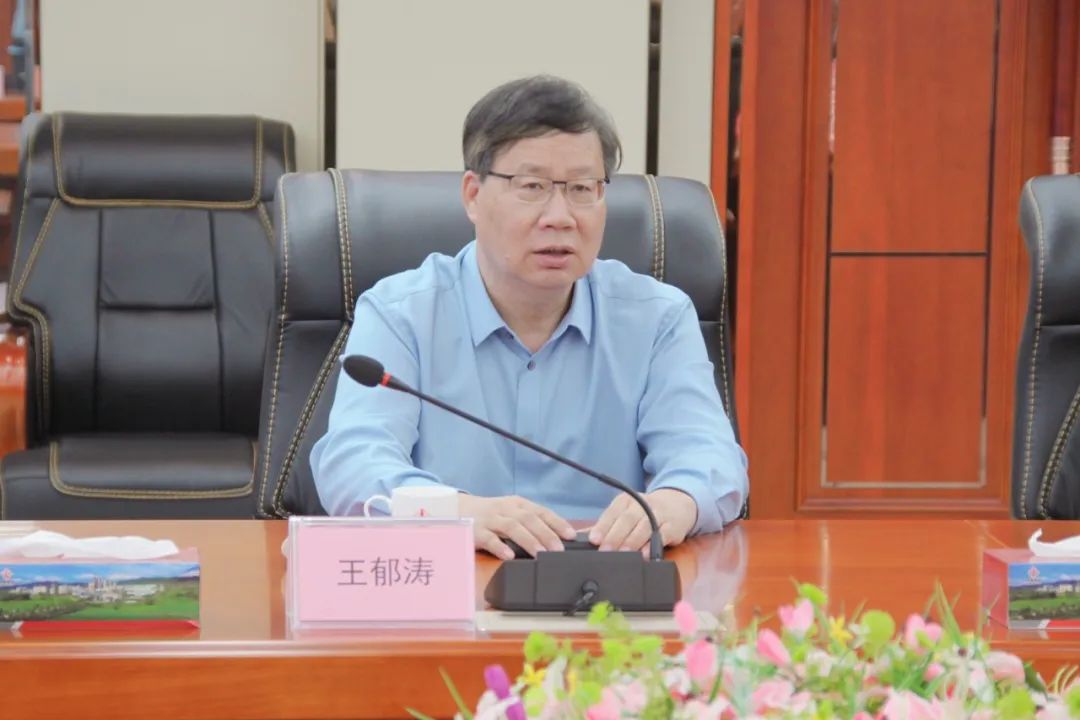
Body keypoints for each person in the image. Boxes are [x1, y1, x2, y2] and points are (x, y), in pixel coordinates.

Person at [310, 75, 748, 560]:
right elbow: (353, 464)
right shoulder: (401, 314)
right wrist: (457, 511)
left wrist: (677, 500)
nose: (560, 216)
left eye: (582, 188)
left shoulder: (657, 318)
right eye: (532, 186)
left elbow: (709, 456)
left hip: (605, 582)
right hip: (455, 577)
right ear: (473, 195)